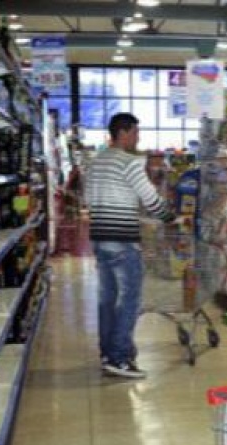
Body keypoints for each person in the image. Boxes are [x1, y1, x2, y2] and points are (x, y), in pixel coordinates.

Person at [86, 113, 173, 379]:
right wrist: (170, 216)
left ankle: (107, 353)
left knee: (107, 300)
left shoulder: (96, 161)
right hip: (123, 241)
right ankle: (120, 358)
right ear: (123, 133)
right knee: (129, 301)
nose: (138, 137)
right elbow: (150, 198)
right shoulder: (130, 162)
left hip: (100, 239)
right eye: (136, 132)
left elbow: (88, 198)